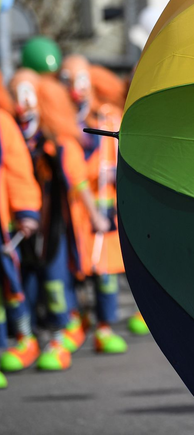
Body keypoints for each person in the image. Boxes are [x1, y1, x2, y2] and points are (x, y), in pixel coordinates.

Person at [8, 69, 109, 371]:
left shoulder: (60, 142)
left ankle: (64, 330)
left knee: (55, 279)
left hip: (58, 225)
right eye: (16, 95)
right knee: (25, 282)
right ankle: (28, 337)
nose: (22, 105)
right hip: (25, 224)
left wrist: (94, 216)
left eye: (28, 96)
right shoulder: (16, 136)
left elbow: (77, 181)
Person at [59, 55, 129, 353]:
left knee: (106, 269)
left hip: (105, 208)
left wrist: (118, 169)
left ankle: (104, 326)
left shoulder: (108, 117)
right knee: (74, 269)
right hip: (73, 213)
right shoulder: (62, 124)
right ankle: (77, 321)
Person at [0, 73, 41, 387]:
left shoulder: (3, 123)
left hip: (2, 226)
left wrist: (26, 211)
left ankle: (24, 338)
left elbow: (17, 170)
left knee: (11, 286)